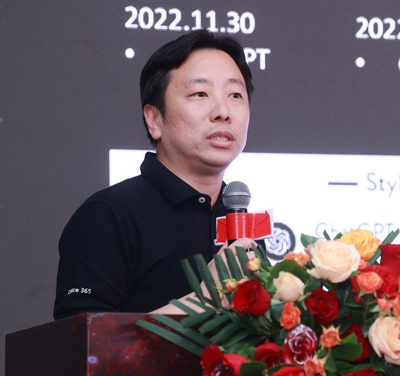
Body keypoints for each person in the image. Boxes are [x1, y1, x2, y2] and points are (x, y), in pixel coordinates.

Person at [54, 30, 256, 319]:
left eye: (235, 95)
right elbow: (83, 340)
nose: (223, 112)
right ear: (154, 119)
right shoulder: (108, 215)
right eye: (200, 93)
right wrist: (204, 301)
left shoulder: (244, 228)